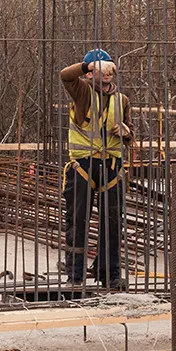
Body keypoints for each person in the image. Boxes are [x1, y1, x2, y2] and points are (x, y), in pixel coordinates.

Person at [59, 49, 133, 290]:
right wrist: (86, 66)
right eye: (102, 70)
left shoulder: (121, 100)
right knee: (78, 222)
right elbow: (65, 75)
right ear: (91, 74)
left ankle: (109, 274)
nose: (108, 74)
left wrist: (126, 132)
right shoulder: (82, 92)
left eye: (110, 69)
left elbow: (131, 133)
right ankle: (76, 275)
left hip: (112, 167)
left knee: (112, 224)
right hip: (83, 166)